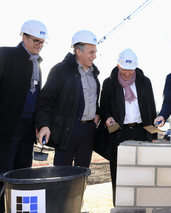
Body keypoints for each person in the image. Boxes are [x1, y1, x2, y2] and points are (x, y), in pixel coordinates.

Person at [0, 20, 49, 213]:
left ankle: (18, 210)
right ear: (24, 37)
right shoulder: (5, 55)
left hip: (28, 128)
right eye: (36, 40)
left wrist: (39, 124)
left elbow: (36, 98)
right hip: (7, 128)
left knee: (23, 172)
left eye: (42, 42)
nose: (39, 45)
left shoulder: (37, 64)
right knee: (4, 173)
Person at [99, 48, 157, 205]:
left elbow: (151, 109)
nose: (127, 73)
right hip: (119, 132)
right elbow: (103, 108)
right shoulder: (109, 83)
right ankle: (119, 206)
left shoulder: (145, 82)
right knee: (118, 173)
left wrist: (153, 136)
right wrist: (107, 117)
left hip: (141, 131)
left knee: (141, 173)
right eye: (124, 69)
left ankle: (140, 205)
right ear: (118, 66)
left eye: (130, 70)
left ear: (136, 68)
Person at [36, 30, 100, 168]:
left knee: (82, 171)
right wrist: (43, 125)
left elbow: (92, 100)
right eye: (91, 52)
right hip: (68, 129)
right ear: (78, 51)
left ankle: (79, 191)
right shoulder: (60, 70)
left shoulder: (94, 74)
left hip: (88, 130)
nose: (94, 56)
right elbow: (45, 101)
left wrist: (97, 114)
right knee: (62, 172)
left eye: (95, 52)